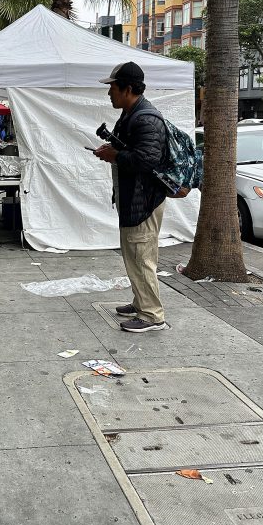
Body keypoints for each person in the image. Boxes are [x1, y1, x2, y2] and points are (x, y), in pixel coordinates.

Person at [94, 61, 169, 334]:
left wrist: (115, 155)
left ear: (127, 88)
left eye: (112, 88)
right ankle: (141, 302)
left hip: (144, 201)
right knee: (135, 254)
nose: (109, 93)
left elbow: (147, 160)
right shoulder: (131, 114)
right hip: (133, 199)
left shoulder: (146, 118)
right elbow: (133, 152)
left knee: (141, 256)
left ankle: (152, 315)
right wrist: (112, 149)